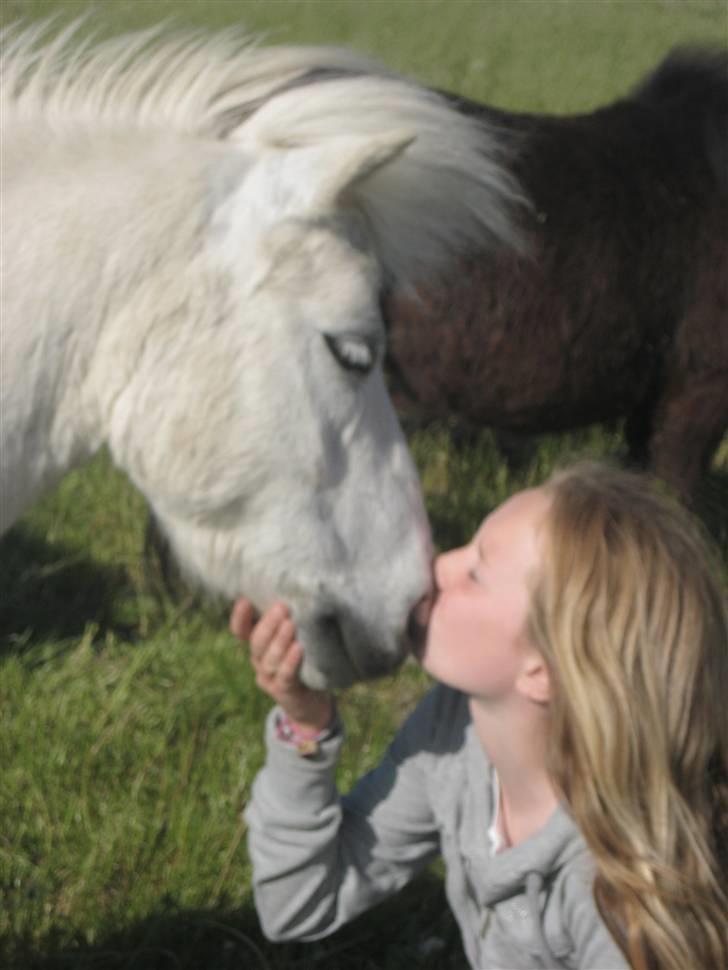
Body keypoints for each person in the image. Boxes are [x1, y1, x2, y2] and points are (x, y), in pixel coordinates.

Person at [232, 461, 728, 970]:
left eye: (475, 572)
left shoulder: (615, 901)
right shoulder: (455, 735)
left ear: (543, 671)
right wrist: (305, 727)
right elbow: (298, 904)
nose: (436, 566)